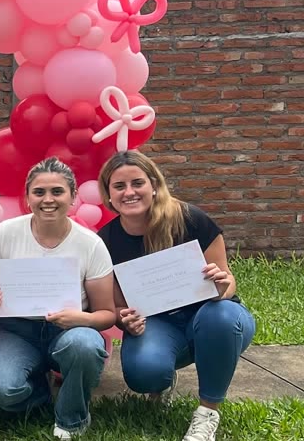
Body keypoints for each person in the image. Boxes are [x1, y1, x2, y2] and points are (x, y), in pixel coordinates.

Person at [97, 150, 256, 441]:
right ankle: (164, 378)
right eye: (119, 186)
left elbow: (227, 280)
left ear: (154, 185)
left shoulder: (191, 219)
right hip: (158, 323)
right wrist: (125, 320)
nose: (129, 192)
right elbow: (119, 306)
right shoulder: (104, 241)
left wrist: (222, 287)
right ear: (108, 195)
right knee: (143, 374)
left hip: (212, 315)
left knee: (221, 317)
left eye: (137, 183)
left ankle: (207, 412)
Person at [0, 157, 116, 440]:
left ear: (73, 197)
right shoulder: (6, 233)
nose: (47, 199)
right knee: (4, 391)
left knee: (85, 346)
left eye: (57, 192)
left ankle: (72, 418)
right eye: (39, 192)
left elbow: (107, 314)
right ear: (27, 198)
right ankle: (41, 392)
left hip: (70, 329)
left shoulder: (90, 244)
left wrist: (83, 319)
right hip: (18, 331)